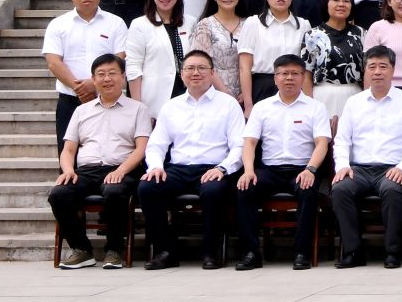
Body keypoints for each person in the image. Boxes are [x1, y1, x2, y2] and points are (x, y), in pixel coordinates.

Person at [138, 50, 244, 270]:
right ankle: (166, 251)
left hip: (213, 168)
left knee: (214, 191)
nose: (196, 73)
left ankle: (210, 253)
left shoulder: (228, 104)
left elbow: (239, 146)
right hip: (177, 169)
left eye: (202, 68)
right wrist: (156, 166)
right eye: (190, 68)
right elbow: (156, 145)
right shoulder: (171, 106)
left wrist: (223, 168)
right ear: (182, 74)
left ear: (212, 73)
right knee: (148, 188)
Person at [48, 53, 151, 270]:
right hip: (87, 170)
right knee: (59, 194)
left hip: (122, 169)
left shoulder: (138, 109)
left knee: (114, 191)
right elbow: (68, 149)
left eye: (112, 73)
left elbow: (141, 149)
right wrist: (68, 170)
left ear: (123, 77)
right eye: (101, 74)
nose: (107, 79)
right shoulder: (81, 111)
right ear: (93, 79)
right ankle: (81, 249)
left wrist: (121, 170)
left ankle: (114, 250)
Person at [330, 45, 402, 269]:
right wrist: (342, 165)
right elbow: (342, 140)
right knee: (340, 189)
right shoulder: (354, 102)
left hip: (393, 168)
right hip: (359, 169)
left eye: (383, 66)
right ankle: (353, 251)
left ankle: (392, 251)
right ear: (365, 70)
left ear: (393, 70)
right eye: (372, 67)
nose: (377, 72)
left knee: (392, 189)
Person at [233, 54, 328, 270]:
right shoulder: (262, 107)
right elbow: (249, 143)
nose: (289, 78)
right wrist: (248, 171)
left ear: (303, 77)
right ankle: (250, 253)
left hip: (302, 169)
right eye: (284, 73)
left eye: (295, 73)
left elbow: (322, 143)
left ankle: (302, 253)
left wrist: (311, 169)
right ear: (275, 78)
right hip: (269, 170)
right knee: (245, 188)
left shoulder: (316, 108)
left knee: (307, 189)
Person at [42, 0, 129, 148]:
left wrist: (95, 84)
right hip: (70, 99)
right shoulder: (58, 24)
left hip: (108, 99)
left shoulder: (116, 23)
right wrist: (81, 89)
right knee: (68, 152)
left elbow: (120, 59)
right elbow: (53, 62)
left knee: (108, 152)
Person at [123, 0, 193, 118]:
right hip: (154, 99)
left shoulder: (191, 22)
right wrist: (138, 108)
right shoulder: (139, 25)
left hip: (187, 95)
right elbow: (133, 67)